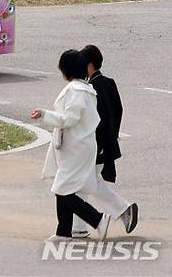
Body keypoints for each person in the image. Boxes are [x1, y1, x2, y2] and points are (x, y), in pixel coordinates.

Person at [31, 49, 111, 242]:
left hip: (77, 146)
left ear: (66, 70)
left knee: (62, 189)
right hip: (78, 145)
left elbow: (70, 118)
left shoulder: (76, 90)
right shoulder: (84, 89)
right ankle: (64, 231)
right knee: (63, 187)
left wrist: (45, 115)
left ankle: (98, 219)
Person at [71, 44, 138, 237]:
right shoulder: (109, 83)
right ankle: (79, 228)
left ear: (89, 65)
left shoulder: (91, 88)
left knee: (84, 182)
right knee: (84, 183)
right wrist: (112, 136)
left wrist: (96, 144)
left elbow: (95, 119)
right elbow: (118, 111)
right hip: (106, 143)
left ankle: (123, 210)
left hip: (95, 145)